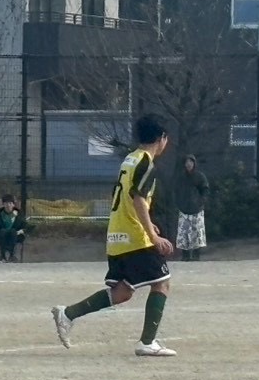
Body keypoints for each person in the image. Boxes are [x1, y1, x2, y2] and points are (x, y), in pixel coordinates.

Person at [51, 114, 177, 357]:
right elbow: (138, 198)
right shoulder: (146, 163)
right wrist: (152, 235)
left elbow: (125, 196)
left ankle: (68, 314)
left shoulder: (130, 159)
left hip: (118, 234)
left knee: (123, 291)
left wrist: (148, 223)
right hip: (134, 237)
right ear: (161, 138)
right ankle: (147, 342)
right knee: (162, 282)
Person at [174, 154, 209, 261]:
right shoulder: (180, 177)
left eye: (191, 162)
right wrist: (179, 203)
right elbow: (176, 191)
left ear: (194, 163)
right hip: (184, 209)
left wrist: (201, 202)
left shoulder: (200, 176)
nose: (189, 164)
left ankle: (196, 255)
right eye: (187, 162)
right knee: (184, 233)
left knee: (197, 233)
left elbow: (205, 190)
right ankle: (185, 256)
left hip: (196, 209)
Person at [0, 194, 27, 263]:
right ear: (3, 204)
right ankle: (2, 256)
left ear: (13, 204)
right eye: (6, 203)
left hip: (15, 234)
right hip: (1, 234)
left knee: (13, 231)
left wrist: (21, 231)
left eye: (10, 203)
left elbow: (24, 226)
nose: (8, 205)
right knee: (3, 231)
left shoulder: (19, 213)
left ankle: (12, 256)